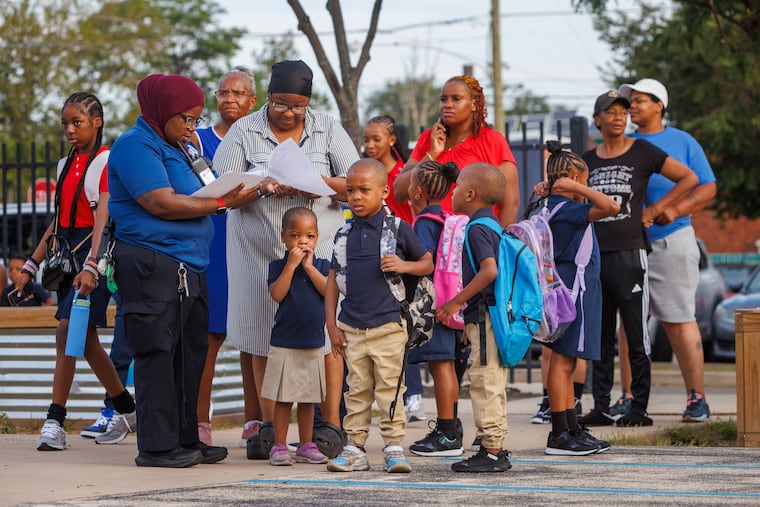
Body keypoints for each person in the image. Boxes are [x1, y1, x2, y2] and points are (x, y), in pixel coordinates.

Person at [108, 73, 267, 468]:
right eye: (186, 119)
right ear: (161, 112)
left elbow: (207, 185)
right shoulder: (135, 146)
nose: (192, 126)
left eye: (196, 119)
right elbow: (160, 202)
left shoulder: (181, 145)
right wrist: (220, 204)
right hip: (151, 263)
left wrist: (225, 186)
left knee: (189, 354)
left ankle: (186, 437)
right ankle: (157, 447)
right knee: (158, 353)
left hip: (191, 265)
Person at [213, 60, 359, 447]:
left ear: (308, 103)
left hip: (317, 249)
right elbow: (222, 193)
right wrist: (262, 187)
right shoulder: (245, 130)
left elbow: (358, 180)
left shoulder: (327, 127)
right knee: (262, 333)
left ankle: (329, 426)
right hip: (258, 250)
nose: (289, 113)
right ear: (268, 99)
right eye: (280, 104)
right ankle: (268, 427)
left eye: (297, 106)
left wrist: (322, 184)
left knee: (324, 335)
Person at [14, 92, 137, 451]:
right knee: (85, 340)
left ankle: (55, 421)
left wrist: (92, 266)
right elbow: (59, 220)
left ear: (97, 122)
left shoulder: (105, 161)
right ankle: (127, 409)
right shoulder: (64, 164)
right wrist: (32, 263)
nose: (69, 129)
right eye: (65, 123)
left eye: (77, 122)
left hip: (92, 260)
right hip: (67, 260)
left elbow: (104, 217)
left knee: (68, 331)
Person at [581, 91, 697, 428]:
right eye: (610, 112)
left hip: (631, 253)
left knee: (635, 333)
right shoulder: (588, 160)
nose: (618, 117)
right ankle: (601, 405)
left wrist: (657, 209)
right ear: (597, 120)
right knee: (600, 335)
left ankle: (638, 407)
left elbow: (689, 178)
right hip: (596, 257)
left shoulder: (642, 151)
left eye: (622, 111)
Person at [325, 159, 433, 474]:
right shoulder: (343, 233)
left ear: (384, 191)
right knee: (356, 390)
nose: (356, 197)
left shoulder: (398, 228)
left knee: (389, 389)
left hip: (389, 325)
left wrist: (404, 266)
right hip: (352, 328)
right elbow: (333, 279)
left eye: (364, 190)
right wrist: (331, 324)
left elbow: (427, 262)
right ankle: (354, 448)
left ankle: (393, 447)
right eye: (350, 191)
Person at [618, 78, 717, 423]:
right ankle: (628, 396)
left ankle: (696, 398)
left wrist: (672, 209)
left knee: (678, 320)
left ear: (659, 105)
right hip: (629, 245)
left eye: (640, 100)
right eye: (630, 101)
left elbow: (707, 187)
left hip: (672, 240)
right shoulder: (622, 143)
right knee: (629, 324)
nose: (632, 106)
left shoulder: (682, 141)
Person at [192, 66, 263, 446]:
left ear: (253, 101)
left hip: (252, 242)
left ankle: (255, 423)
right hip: (212, 245)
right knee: (210, 335)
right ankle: (200, 422)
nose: (230, 100)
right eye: (223, 93)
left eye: (238, 94)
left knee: (251, 336)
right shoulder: (197, 141)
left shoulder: (261, 140)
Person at [536, 141, 619, 455]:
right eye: (584, 180)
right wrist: (575, 188)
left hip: (571, 290)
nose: (588, 187)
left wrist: (565, 187)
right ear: (571, 178)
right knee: (563, 361)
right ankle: (559, 433)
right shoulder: (567, 207)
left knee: (568, 361)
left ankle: (570, 426)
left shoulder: (550, 204)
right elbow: (611, 207)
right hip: (572, 291)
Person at [436, 162, 512, 473]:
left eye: (455, 189)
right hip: (485, 318)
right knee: (491, 379)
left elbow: (489, 270)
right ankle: (494, 444)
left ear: (470, 193)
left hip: (484, 316)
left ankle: (492, 450)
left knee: (484, 380)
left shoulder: (477, 228)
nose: (452, 194)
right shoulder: (493, 224)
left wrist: (455, 302)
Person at [393, 74, 519, 227]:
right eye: (443, 99)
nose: (447, 104)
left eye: (456, 99)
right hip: (430, 238)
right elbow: (399, 192)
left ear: (474, 104)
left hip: (473, 240)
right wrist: (432, 154)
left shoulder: (492, 141)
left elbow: (510, 204)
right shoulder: (428, 139)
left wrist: (498, 244)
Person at [363, 115, 424, 422]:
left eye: (376, 139)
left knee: (405, 326)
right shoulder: (363, 175)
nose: (370, 145)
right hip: (374, 260)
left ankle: (413, 392)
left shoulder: (402, 174)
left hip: (402, 258)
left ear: (391, 140)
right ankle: (391, 392)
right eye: (366, 139)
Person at [403, 160, 465, 457]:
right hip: (451, 304)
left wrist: (402, 265)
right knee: (447, 367)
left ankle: (447, 433)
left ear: (416, 193)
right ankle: (451, 426)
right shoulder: (446, 218)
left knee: (440, 367)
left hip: (436, 306)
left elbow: (426, 261)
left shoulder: (425, 223)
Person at [262, 207, 330, 466]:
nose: (302, 241)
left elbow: (327, 291)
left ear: (317, 238)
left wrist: (309, 268)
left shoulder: (323, 266)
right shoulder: (278, 266)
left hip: (313, 342)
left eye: (309, 236)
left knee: (308, 397)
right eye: (295, 235)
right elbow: (277, 294)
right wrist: (291, 265)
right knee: (283, 397)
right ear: (283, 237)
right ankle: (279, 445)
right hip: (284, 342)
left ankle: (306, 444)